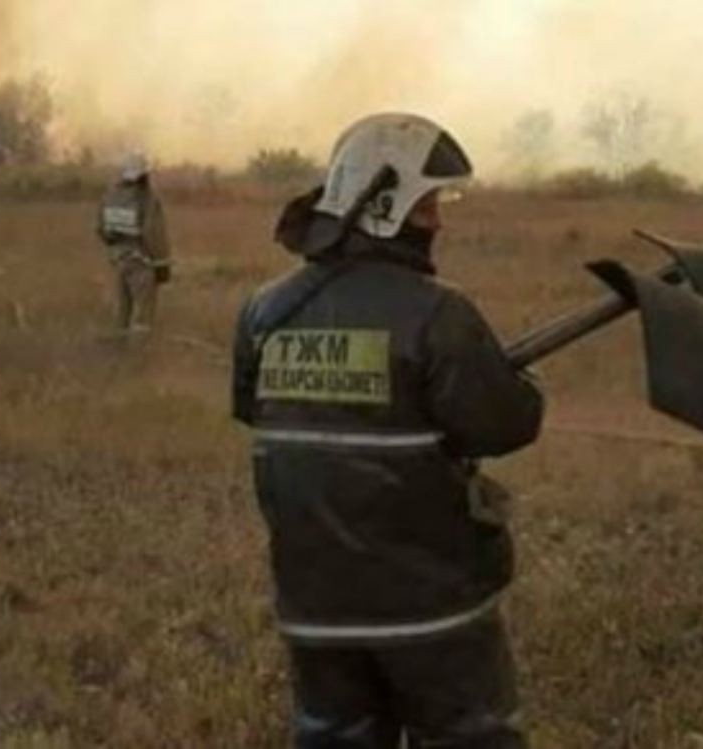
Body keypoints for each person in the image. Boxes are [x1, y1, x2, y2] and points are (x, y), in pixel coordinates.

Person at [231, 113, 545, 748]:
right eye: (428, 204)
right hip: (434, 613)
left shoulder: (265, 310)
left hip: (315, 610)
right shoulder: (439, 315)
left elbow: (252, 410)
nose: (438, 220)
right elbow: (505, 425)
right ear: (385, 205)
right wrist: (522, 385)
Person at [96, 154, 172, 334]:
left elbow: (100, 228)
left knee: (121, 312)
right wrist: (162, 265)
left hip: (117, 260)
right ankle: (139, 355)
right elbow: (154, 234)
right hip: (141, 261)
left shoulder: (110, 196)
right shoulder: (147, 198)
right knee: (143, 317)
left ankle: (118, 352)